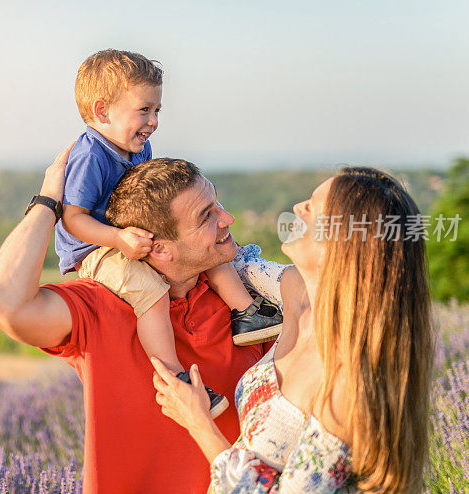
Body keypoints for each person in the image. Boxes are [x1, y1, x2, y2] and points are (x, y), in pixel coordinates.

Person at [0, 148, 286, 494]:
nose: (228, 218)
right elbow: (2, 304)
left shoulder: (247, 307)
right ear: (159, 249)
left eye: (218, 205)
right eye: (206, 216)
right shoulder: (101, 307)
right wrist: (48, 202)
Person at [152, 167, 434, 493]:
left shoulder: (347, 381)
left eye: (313, 206)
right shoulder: (297, 289)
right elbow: (233, 260)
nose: (298, 207)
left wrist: (198, 422)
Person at [56, 49, 282, 416]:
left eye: (157, 111)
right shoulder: (91, 156)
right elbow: (73, 219)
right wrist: (118, 239)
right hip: (95, 247)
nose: (154, 121)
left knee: (208, 246)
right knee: (151, 292)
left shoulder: (137, 147)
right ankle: (174, 377)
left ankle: (248, 314)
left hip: (130, 231)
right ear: (102, 111)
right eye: (144, 110)